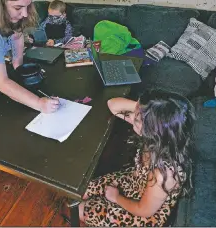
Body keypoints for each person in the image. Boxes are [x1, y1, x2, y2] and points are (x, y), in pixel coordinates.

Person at [79, 89, 195, 226]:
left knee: (81, 209)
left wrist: (116, 197)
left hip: (143, 213)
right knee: (82, 191)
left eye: (138, 118)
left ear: (152, 130)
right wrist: (144, 108)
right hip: (133, 181)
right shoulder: (160, 138)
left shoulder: (164, 175)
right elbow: (112, 104)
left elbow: (144, 211)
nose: (132, 117)